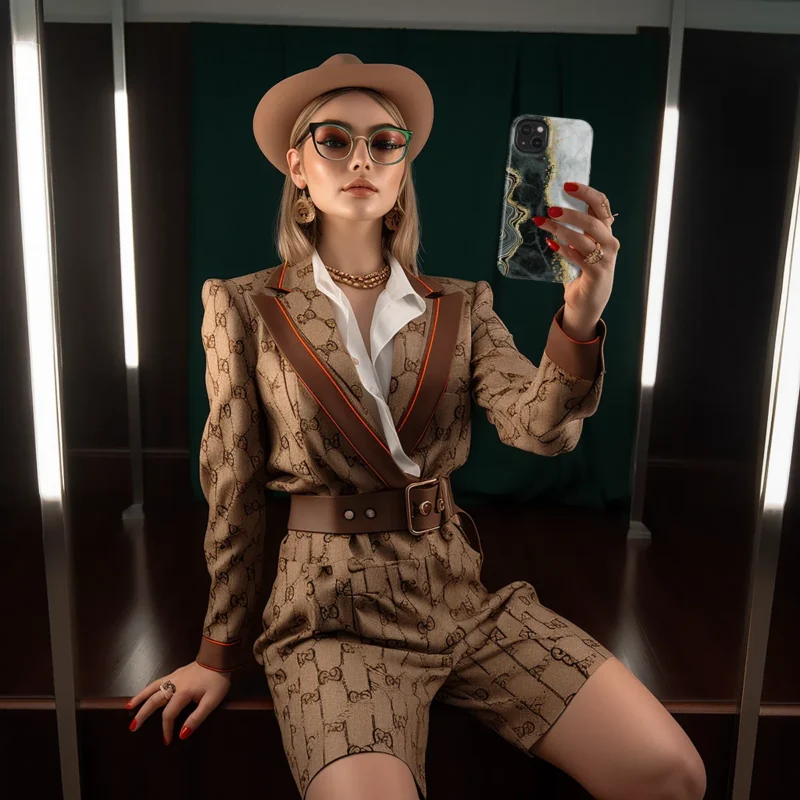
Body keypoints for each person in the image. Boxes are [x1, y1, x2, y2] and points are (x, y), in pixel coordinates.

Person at [126, 54, 706, 800]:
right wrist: (217, 651)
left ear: (402, 170)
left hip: (461, 599)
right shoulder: (245, 306)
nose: (361, 158)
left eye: (384, 142)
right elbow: (232, 485)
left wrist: (581, 315)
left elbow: (538, 430)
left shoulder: (462, 305)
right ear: (298, 167)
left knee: (672, 774)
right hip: (328, 617)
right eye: (334, 140)